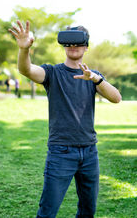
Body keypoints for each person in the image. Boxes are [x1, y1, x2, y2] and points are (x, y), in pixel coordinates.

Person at [8, 20, 121, 218]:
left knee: (88, 211)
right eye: (70, 42)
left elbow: (116, 98)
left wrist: (96, 79)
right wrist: (24, 50)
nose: (74, 46)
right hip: (61, 152)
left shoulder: (94, 77)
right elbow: (26, 70)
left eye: (78, 42)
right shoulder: (53, 73)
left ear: (86, 46)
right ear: (64, 44)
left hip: (89, 152)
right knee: (47, 211)